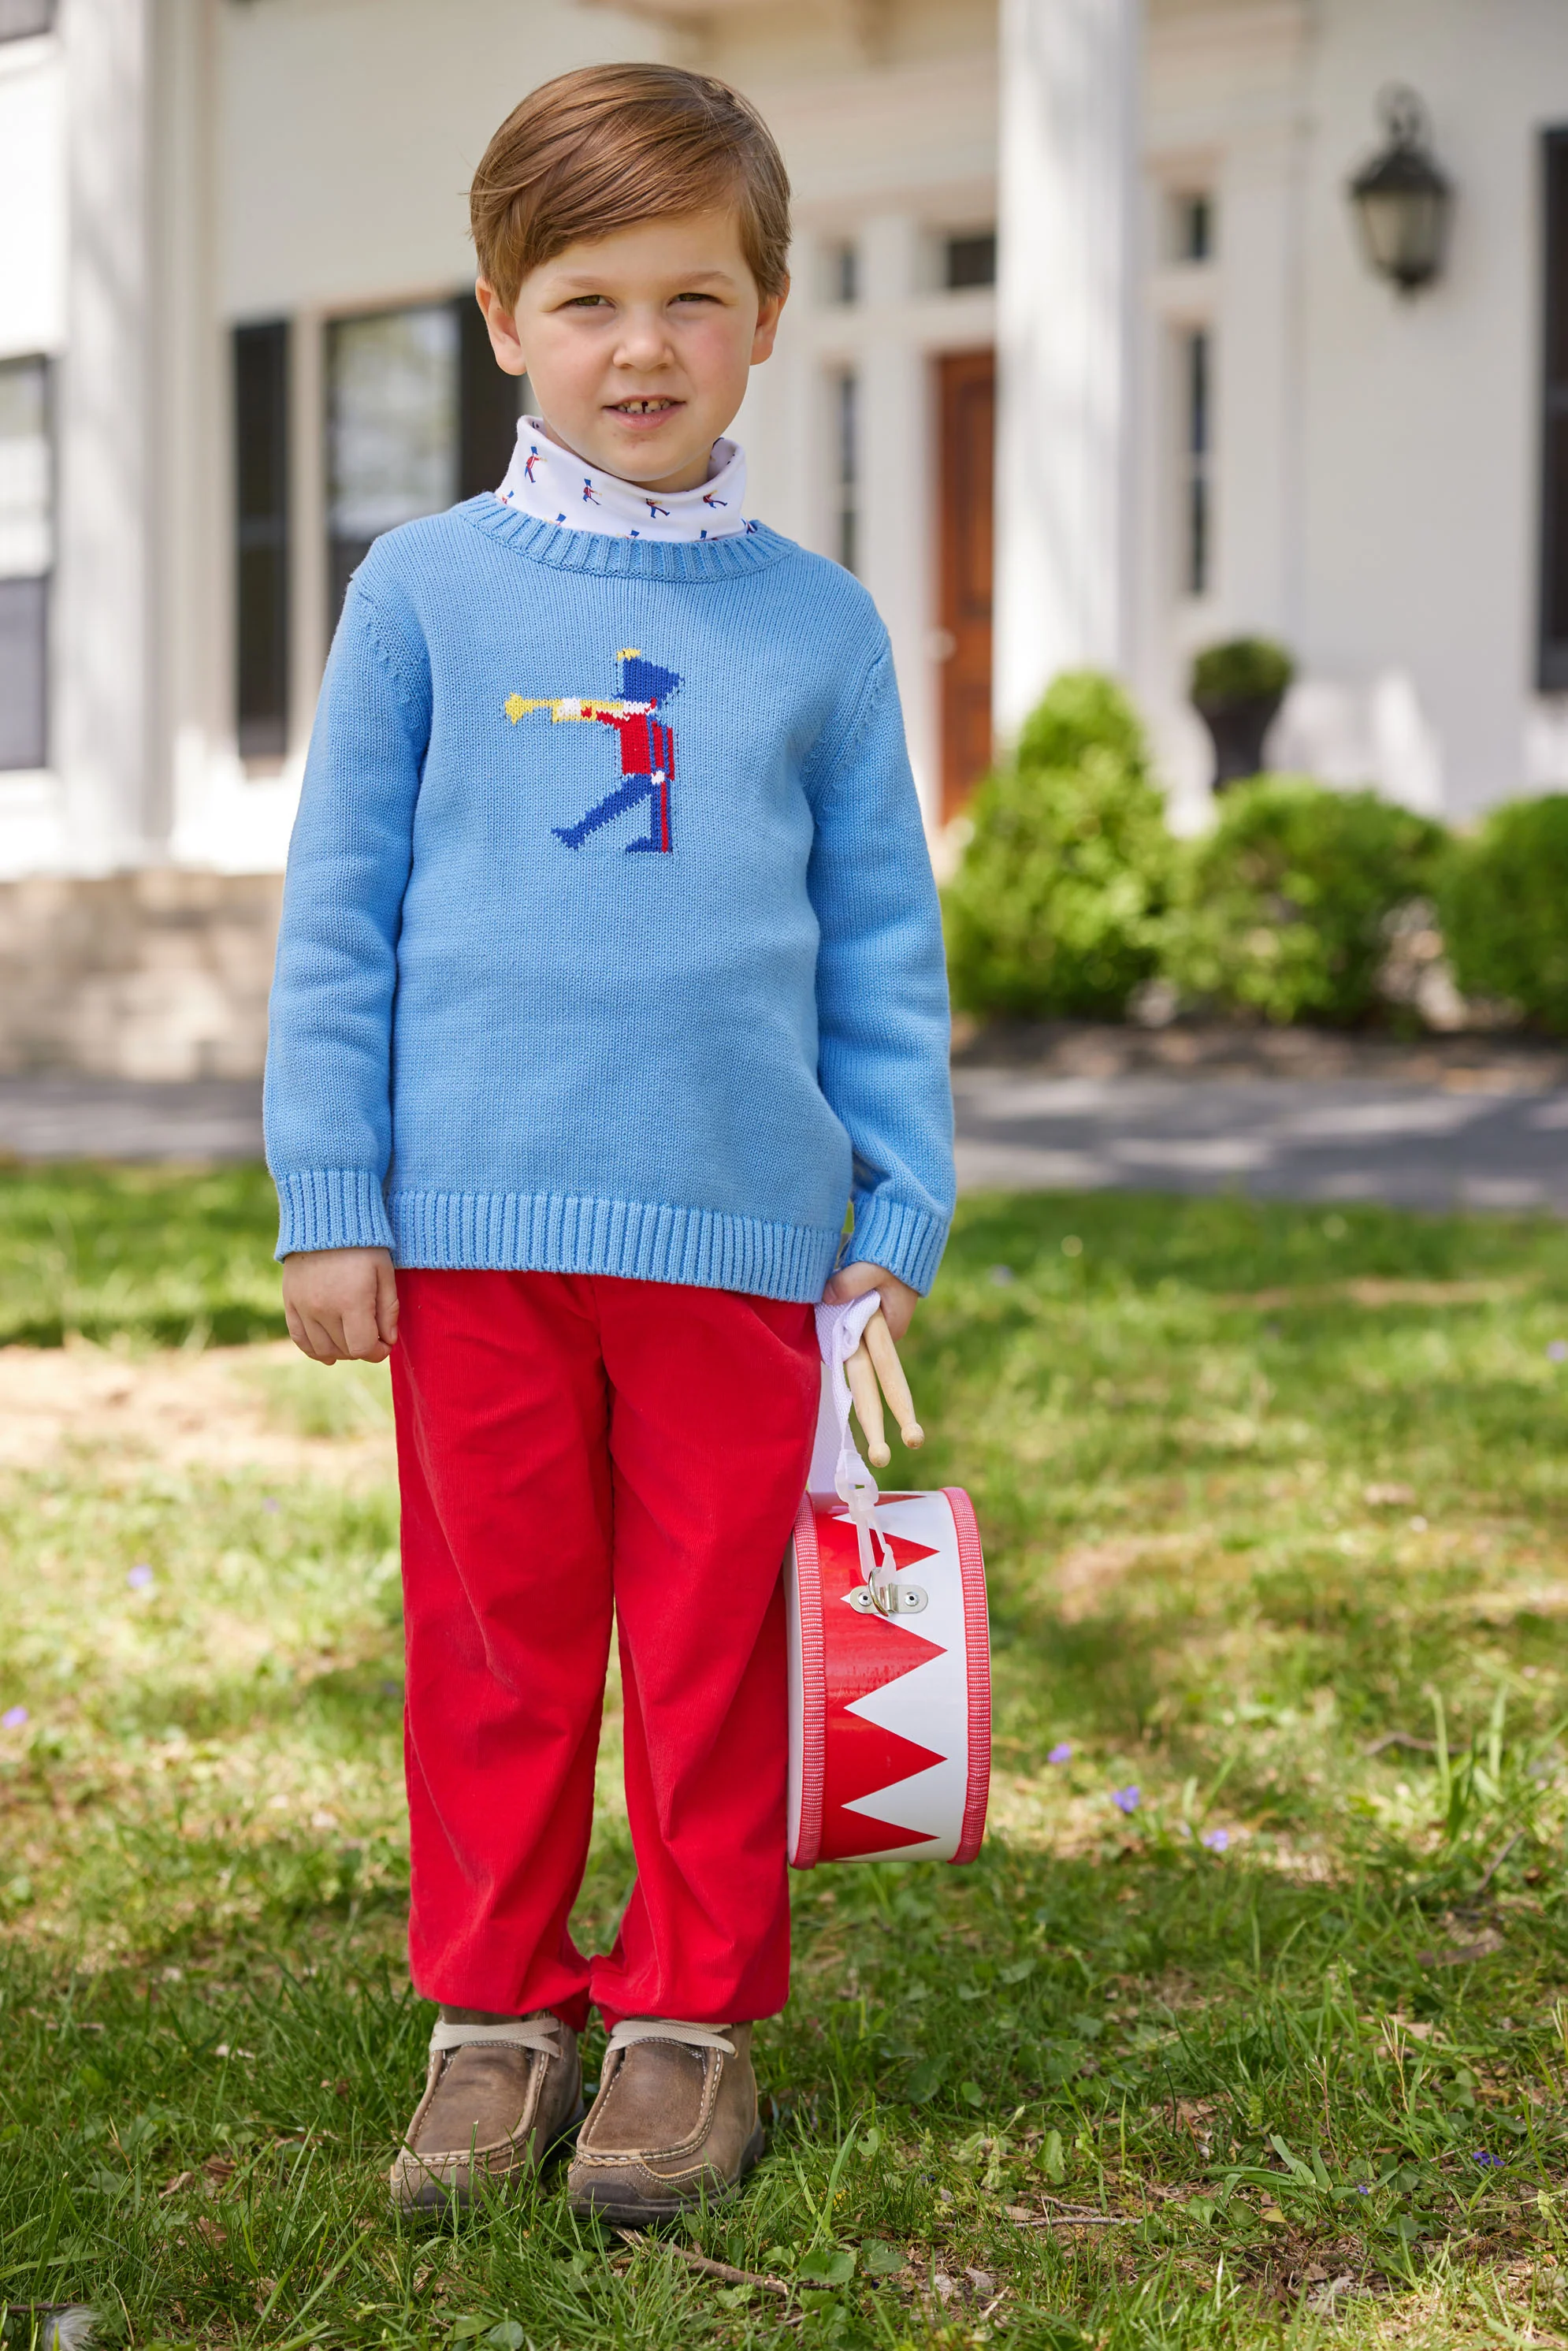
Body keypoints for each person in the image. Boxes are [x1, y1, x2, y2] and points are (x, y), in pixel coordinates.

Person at [263, 61, 954, 2224]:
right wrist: (331, 1193)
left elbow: (878, 937)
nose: (636, 346)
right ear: (498, 318)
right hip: (471, 1229)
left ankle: (685, 2022)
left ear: (762, 315)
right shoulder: (425, 595)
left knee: (711, 1634)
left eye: (687, 297)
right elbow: (340, 911)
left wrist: (894, 1204)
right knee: (498, 1633)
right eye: (584, 300)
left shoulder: (814, 626)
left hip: (739, 1234)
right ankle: (492, 2016)